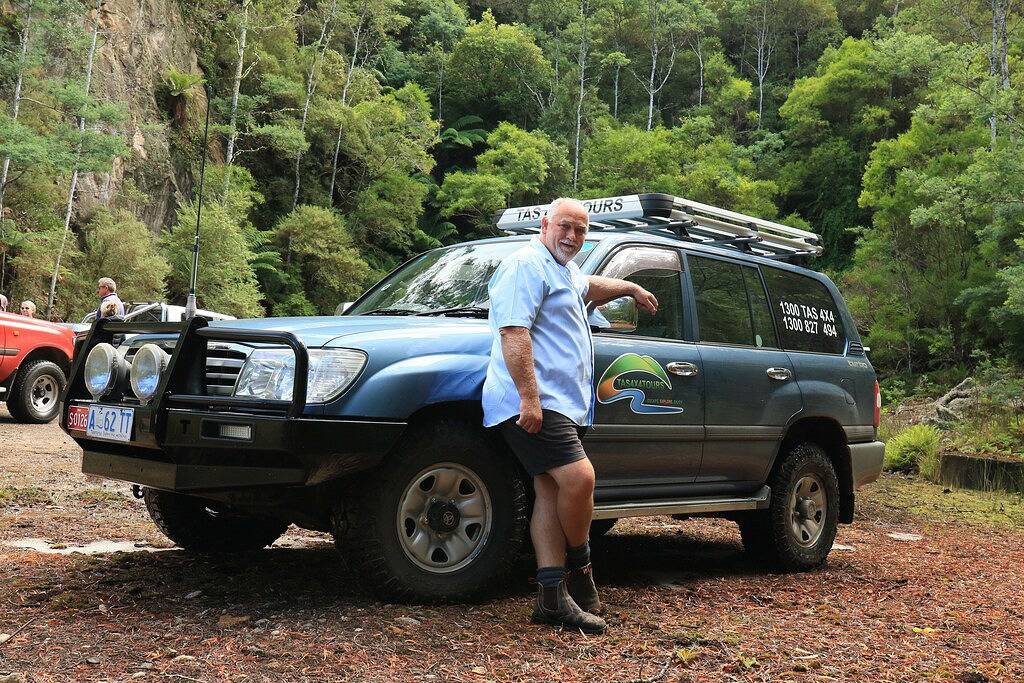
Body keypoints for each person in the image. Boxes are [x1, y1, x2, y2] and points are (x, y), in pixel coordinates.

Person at [483, 198, 658, 634]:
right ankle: (581, 571)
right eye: (565, 227)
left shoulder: (563, 269)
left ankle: (549, 598)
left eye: (580, 230)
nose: (573, 237)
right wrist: (529, 399)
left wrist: (629, 288)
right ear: (545, 224)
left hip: (561, 401)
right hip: (538, 401)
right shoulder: (527, 264)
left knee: (548, 489)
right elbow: (513, 331)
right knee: (580, 479)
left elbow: (586, 287)